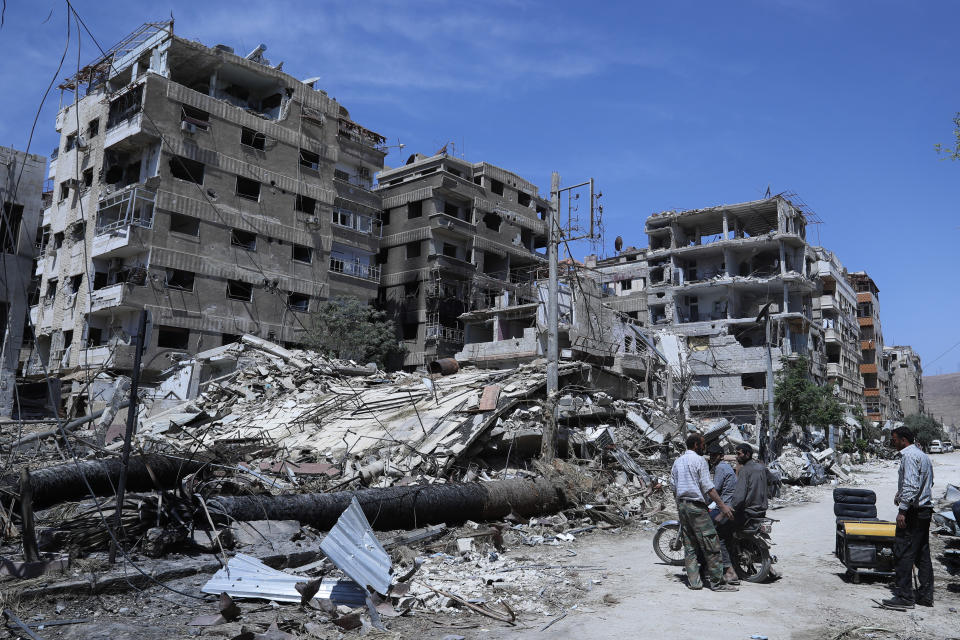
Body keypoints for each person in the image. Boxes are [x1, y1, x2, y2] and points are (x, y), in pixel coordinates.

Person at [671, 433, 737, 591]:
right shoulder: (699, 460)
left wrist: (681, 503)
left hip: (682, 505)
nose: (704, 448)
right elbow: (709, 487)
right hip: (696, 506)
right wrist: (723, 507)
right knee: (711, 543)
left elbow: (673, 486)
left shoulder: (677, 461)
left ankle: (694, 582)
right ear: (696, 445)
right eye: (703, 445)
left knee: (690, 545)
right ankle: (717, 583)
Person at [883, 426, 934, 609]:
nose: (893, 442)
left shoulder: (909, 456)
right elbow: (925, 483)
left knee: (903, 551)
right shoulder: (921, 455)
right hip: (925, 510)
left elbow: (912, 486)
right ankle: (926, 595)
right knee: (922, 553)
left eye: (894, 439)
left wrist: (903, 510)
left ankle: (905, 597)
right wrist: (901, 494)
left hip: (914, 512)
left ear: (903, 440)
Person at [707, 444, 739, 585]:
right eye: (711, 455)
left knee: (717, 536)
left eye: (715, 455)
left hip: (725, 507)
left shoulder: (720, 468)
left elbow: (715, 490)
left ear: (721, 455)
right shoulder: (727, 467)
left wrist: (704, 500)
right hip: (731, 505)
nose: (712, 457)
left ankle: (729, 570)